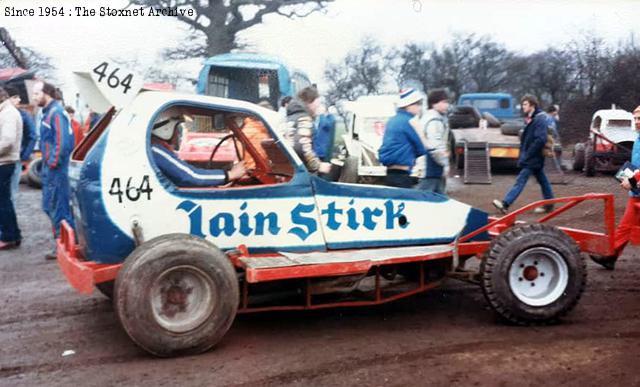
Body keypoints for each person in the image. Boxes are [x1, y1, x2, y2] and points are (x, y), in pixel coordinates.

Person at [591, 105, 640, 270]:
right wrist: (628, 177)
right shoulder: (637, 140)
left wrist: (632, 181)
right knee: (625, 227)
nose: (637, 122)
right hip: (636, 192)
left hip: (636, 187)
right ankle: (610, 256)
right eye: (635, 119)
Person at [32, 80, 75, 260]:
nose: (34, 98)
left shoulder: (56, 113)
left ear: (46, 93)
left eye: (36, 94)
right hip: (52, 169)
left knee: (58, 207)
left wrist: (52, 162)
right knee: (50, 205)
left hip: (56, 170)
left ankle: (65, 247)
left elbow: (63, 142)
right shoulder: (48, 113)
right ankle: (63, 244)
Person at [493, 94, 554, 214]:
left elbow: (540, 139)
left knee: (520, 180)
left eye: (525, 104)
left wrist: (529, 153)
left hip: (533, 157)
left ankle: (505, 203)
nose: (523, 107)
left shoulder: (539, 119)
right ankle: (549, 204)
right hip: (534, 157)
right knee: (543, 181)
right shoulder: (532, 118)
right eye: (522, 104)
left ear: (532, 105)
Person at [151, 114, 246, 187]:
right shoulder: (155, 150)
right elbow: (191, 176)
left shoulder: (157, 149)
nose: (177, 133)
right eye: (176, 128)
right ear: (165, 130)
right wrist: (231, 174)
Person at [378, 88, 427, 188]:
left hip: (389, 171)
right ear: (408, 105)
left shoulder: (392, 120)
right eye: (417, 104)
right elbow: (422, 147)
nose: (419, 108)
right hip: (402, 172)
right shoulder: (410, 122)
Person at [284, 87, 331, 174]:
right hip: (300, 174)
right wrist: (318, 165)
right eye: (318, 103)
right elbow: (301, 147)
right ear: (310, 101)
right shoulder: (303, 119)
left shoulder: (290, 118)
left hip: (288, 170)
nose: (318, 106)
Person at [4, 86, 36, 204]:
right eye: (15, 97)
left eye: (18, 97)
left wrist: (24, 156)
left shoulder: (23, 115)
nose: (19, 100)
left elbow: (32, 136)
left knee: (11, 192)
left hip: (15, 158)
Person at [0, 87, 23, 250]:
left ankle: (9, 236)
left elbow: (7, 141)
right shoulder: (7, 111)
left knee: (3, 202)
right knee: (4, 200)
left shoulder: (7, 113)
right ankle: (13, 235)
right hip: (6, 162)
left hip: (5, 162)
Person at [417, 89, 450, 195]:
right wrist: (445, 164)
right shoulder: (434, 121)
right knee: (427, 199)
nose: (447, 105)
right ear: (434, 103)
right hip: (431, 168)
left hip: (430, 167)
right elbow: (435, 146)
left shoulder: (430, 117)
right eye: (444, 102)